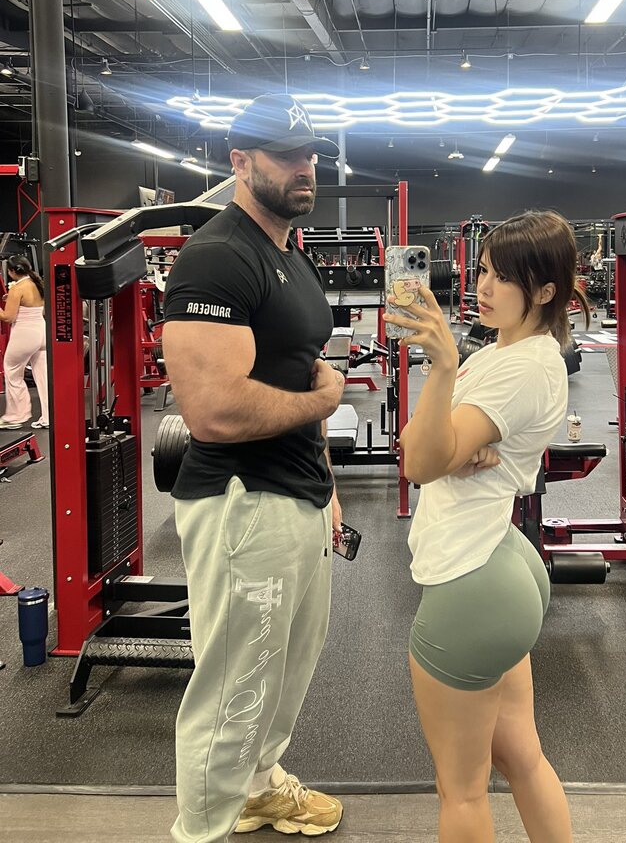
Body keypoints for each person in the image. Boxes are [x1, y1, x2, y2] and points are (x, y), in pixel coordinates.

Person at [161, 94, 346, 843]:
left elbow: (297, 369)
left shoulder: (289, 251)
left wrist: (327, 484)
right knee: (234, 687)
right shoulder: (218, 256)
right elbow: (214, 411)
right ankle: (200, 830)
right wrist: (326, 401)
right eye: (286, 155)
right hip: (243, 501)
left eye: (311, 154)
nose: (306, 168)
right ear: (239, 162)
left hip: (298, 493)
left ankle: (259, 789)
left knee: (285, 670)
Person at [384, 210, 589, 843]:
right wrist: (444, 444)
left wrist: (443, 369)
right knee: (521, 758)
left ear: (546, 290)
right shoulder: (515, 353)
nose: (484, 287)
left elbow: (418, 463)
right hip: (500, 561)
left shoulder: (518, 367)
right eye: (484, 271)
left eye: (504, 278)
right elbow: (423, 444)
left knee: (464, 791)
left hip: (471, 578)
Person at [0, 255, 48, 430]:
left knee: (12, 371)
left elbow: (8, 317)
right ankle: (48, 417)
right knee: (43, 377)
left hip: (25, 334)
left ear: (12, 271)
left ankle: (15, 417)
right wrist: (11, 299)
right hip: (41, 332)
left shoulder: (17, 288)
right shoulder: (37, 283)